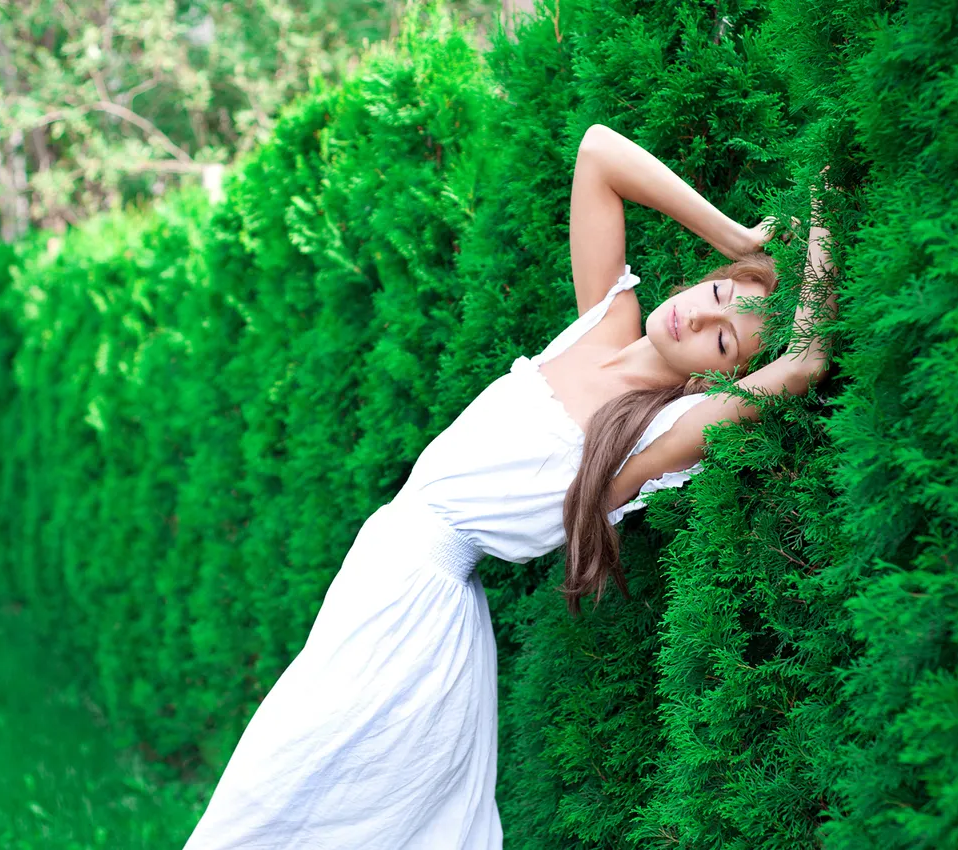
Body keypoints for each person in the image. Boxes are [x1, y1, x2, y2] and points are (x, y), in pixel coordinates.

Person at [182, 123, 836, 850]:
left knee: (284, 788)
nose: (699, 314)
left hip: (420, 614)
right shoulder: (602, 320)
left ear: (714, 375)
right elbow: (597, 153)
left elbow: (804, 364)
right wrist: (738, 240)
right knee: (293, 783)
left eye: (719, 338)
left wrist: (823, 241)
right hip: (389, 570)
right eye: (715, 293)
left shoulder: (660, 431)